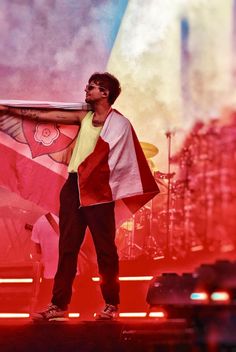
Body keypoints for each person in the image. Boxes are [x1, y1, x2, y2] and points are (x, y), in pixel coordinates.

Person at [0, 72, 159, 321]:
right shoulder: (84, 116)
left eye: (93, 87)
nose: (87, 90)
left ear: (105, 93)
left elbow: (124, 162)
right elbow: (45, 115)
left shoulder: (120, 125)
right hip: (74, 186)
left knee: (105, 250)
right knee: (67, 248)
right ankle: (58, 305)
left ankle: (111, 305)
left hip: (99, 190)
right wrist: (7, 109)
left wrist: (103, 180)